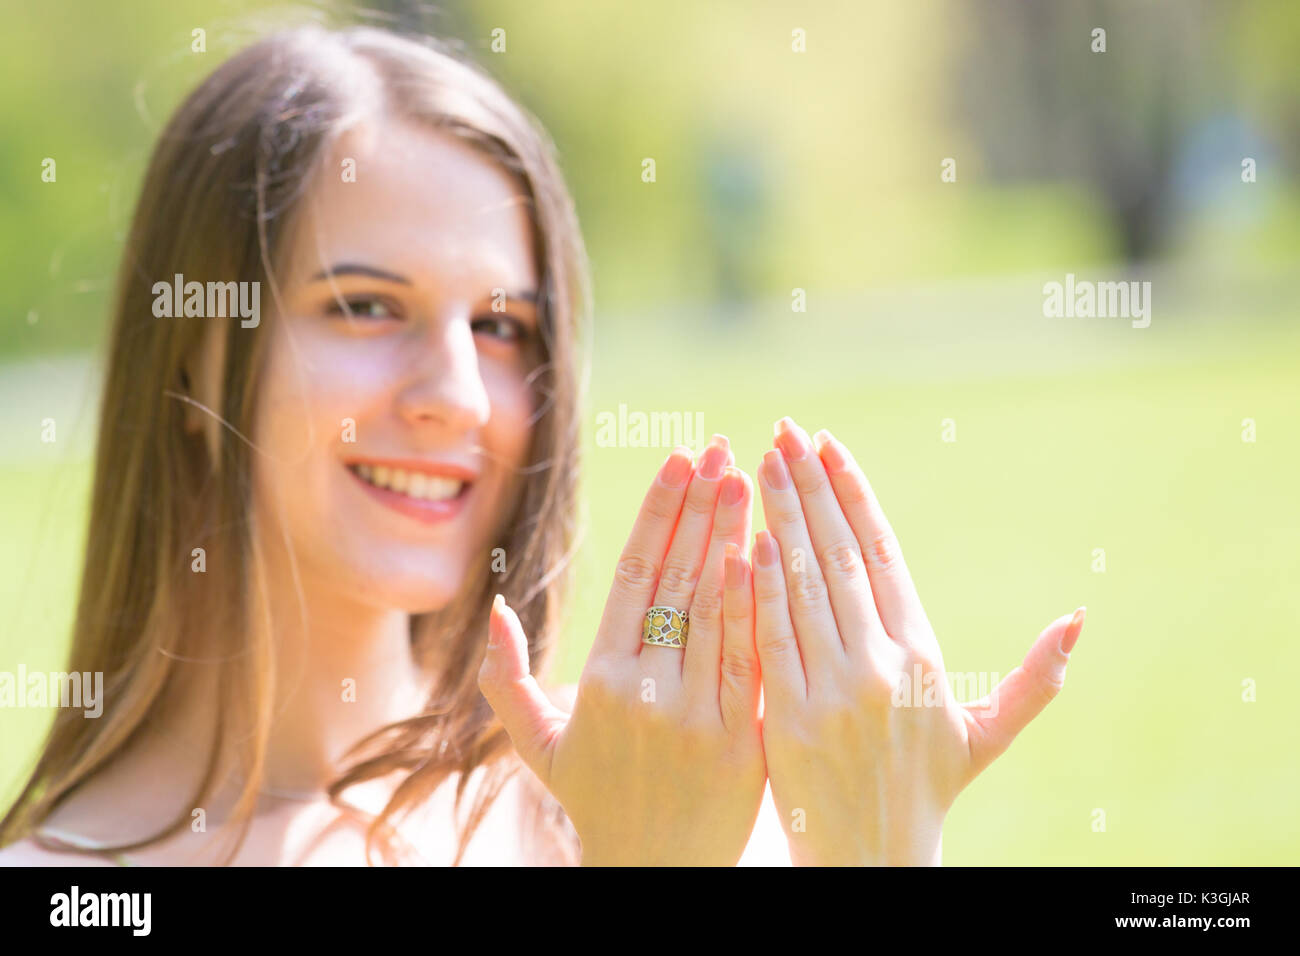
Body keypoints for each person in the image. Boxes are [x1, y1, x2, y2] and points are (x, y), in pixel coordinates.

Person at [0, 25, 1084, 866]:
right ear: (195, 358)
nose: (459, 394)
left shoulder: (660, 794)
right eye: (367, 307)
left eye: (503, 326)